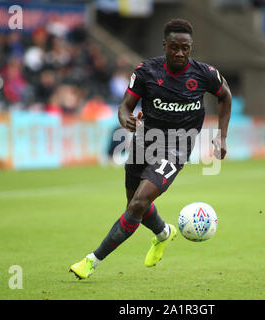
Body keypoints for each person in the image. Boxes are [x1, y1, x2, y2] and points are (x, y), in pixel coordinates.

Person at [69, 18, 232, 279]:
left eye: (185, 48)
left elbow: (225, 96)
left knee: (138, 204)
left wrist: (221, 136)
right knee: (135, 204)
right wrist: (125, 118)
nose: (180, 53)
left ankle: (91, 260)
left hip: (176, 148)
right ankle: (163, 234)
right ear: (165, 45)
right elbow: (125, 106)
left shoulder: (204, 74)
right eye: (174, 47)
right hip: (144, 143)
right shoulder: (146, 72)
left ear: (191, 47)